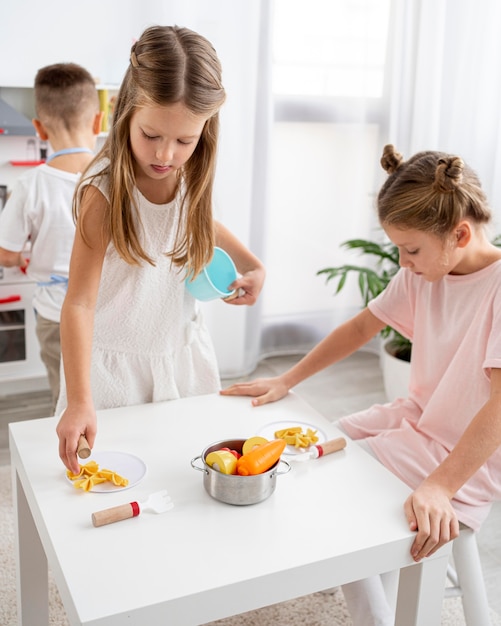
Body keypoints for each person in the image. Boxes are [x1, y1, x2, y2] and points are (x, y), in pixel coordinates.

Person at [222, 144, 501, 625]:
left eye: (411, 249)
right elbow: (361, 327)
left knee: (334, 484)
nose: (402, 261)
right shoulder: (424, 274)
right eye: (397, 247)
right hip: (416, 420)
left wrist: (439, 487)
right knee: (316, 446)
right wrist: (288, 379)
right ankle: (355, 564)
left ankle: (372, 610)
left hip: (460, 458)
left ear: (459, 233)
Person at [55, 25, 265, 475]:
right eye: (151, 134)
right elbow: (78, 302)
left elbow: (200, 220)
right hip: (112, 375)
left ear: (204, 131)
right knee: (116, 478)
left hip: (181, 360)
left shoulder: (190, 176)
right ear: (126, 111)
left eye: (185, 140)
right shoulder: (104, 192)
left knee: (186, 475)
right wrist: (78, 401)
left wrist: (253, 265)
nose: (166, 154)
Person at [0, 63, 102, 413]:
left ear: (39, 129)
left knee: (66, 399)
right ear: (98, 122)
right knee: (107, 395)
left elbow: (4, 252)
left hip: (56, 314)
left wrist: (20, 260)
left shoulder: (30, 186)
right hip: (105, 308)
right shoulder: (114, 178)